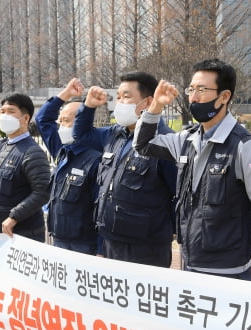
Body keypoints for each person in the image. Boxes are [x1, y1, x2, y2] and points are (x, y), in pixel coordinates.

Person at [134, 58, 251, 280]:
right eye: (191, 89)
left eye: (202, 90)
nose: (194, 97)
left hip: (230, 272)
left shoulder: (243, 146)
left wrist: (238, 244)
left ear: (224, 96)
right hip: (191, 264)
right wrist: (156, 107)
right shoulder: (186, 140)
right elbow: (143, 145)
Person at [72, 71, 177, 267]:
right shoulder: (114, 135)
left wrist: (164, 230)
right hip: (110, 238)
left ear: (147, 102)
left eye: (126, 97)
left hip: (146, 247)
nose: (119, 102)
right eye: (118, 97)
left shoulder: (164, 140)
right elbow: (81, 135)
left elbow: (177, 193)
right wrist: (88, 107)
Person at [0, 93, 51, 242]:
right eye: (3, 112)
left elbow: (42, 192)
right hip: (0, 232)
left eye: (11, 111)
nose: (5, 116)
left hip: (24, 233)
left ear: (25, 118)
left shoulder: (32, 152)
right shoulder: (2, 146)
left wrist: (14, 216)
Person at [35, 78, 102, 254]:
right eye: (61, 121)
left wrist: (101, 249)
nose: (61, 126)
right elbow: (42, 120)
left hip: (85, 244)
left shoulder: (96, 157)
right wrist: (65, 95)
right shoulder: (62, 150)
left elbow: (101, 209)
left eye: (66, 120)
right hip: (59, 239)